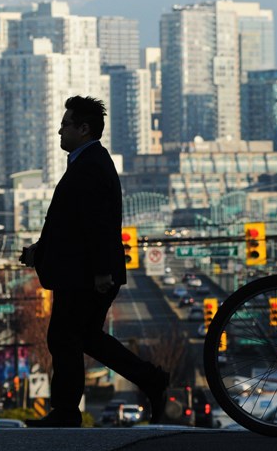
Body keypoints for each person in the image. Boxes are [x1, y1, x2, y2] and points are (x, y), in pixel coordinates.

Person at [19, 95, 170, 427]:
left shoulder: (91, 165)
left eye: (65, 124)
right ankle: (150, 379)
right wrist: (38, 252)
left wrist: (102, 270)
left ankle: (66, 412)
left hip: (86, 275)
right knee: (85, 337)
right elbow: (68, 223)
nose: (60, 131)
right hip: (83, 272)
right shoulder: (86, 163)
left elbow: (98, 222)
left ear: (84, 129)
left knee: (63, 337)